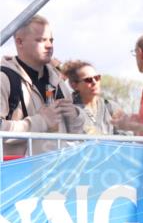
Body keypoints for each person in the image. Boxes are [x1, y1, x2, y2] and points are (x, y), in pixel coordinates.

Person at [1, 14, 83, 156]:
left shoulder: (57, 81)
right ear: (19, 42)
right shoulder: (4, 78)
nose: (49, 45)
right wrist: (41, 121)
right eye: (41, 40)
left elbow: (77, 134)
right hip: (19, 175)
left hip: (59, 173)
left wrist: (75, 116)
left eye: (51, 40)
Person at [63, 60, 128, 136]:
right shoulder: (68, 110)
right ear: (74, 85)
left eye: (97, 77)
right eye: (88, 80)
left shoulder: (112, 107)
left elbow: (127, 138)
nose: (94, 82)